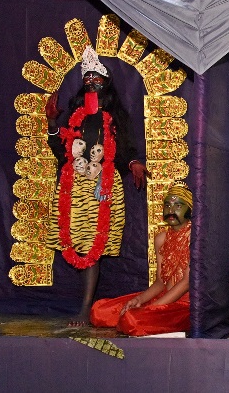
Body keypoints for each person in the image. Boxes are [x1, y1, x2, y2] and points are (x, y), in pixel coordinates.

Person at [44, 45, 149, 326]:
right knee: (77, 245)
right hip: (73, 184)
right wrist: (52, 121)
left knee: (92, 245)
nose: (91, 80)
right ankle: (85, 305)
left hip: (102, 183)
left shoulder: (115, 116)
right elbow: (59, 148)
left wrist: (132, 163)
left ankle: (85, 309)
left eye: (96, 77)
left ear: (106, 83)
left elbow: (124, 149)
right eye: (87, 76)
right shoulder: (76, 114)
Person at [90, 183, 192, 336]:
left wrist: (153, 308)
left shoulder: (195, 237)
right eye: (167, 205)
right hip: (164, 297)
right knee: (99, 312)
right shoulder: (161, 239)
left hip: (186, 306)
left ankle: (145, 316)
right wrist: (139, 300)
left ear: (190, 209)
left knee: (133, 320)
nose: (171, 210)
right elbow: (160, 282)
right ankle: (143, 313)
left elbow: (187, 282)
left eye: (178, 205)